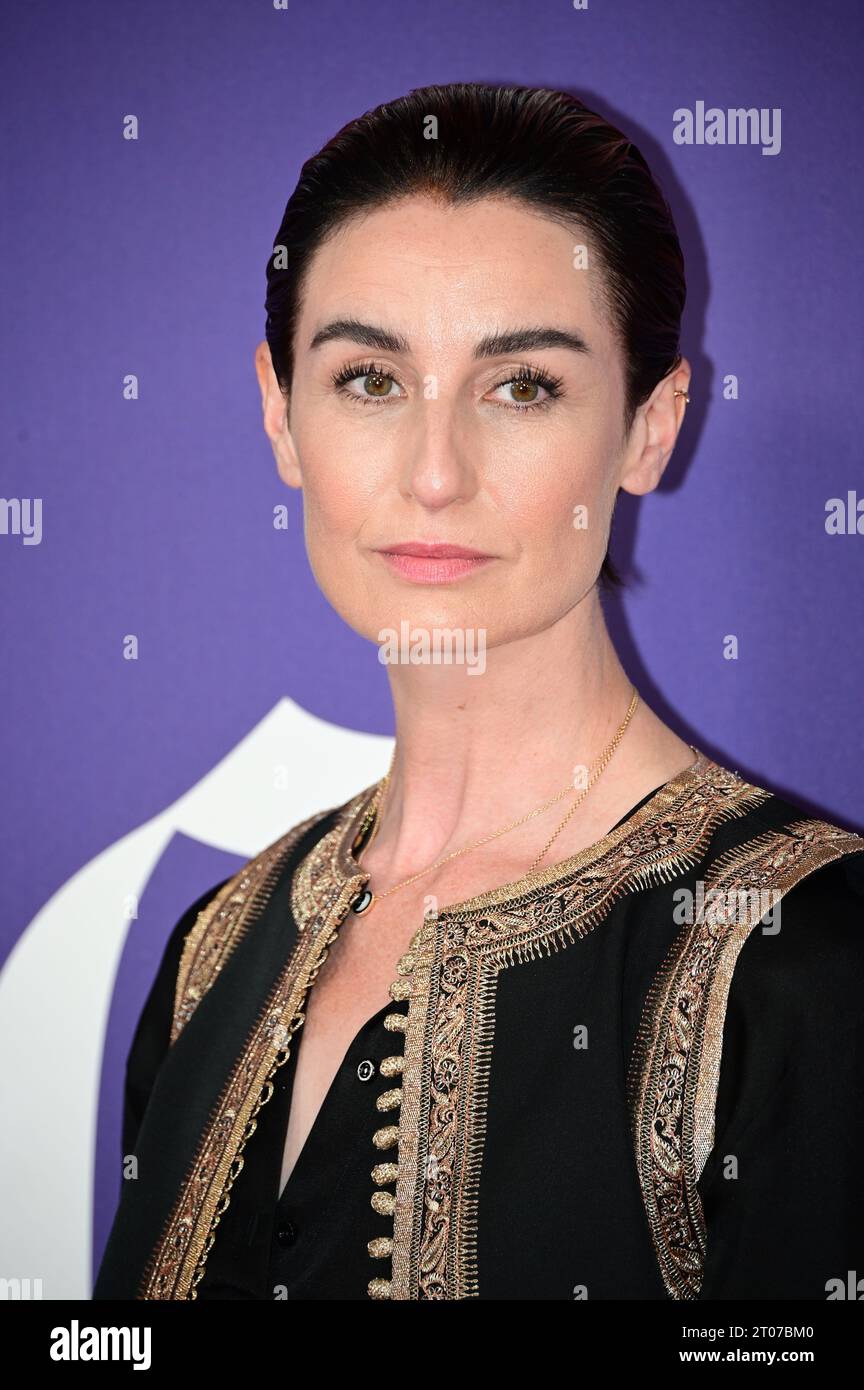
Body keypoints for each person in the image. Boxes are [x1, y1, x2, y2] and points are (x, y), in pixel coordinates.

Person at [93, 81, 864, 1302]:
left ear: (650, 429)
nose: (436, 473)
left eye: (523, 387)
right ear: (279, 414)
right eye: (369, 379)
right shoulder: (210, 953)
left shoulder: (806, 962)